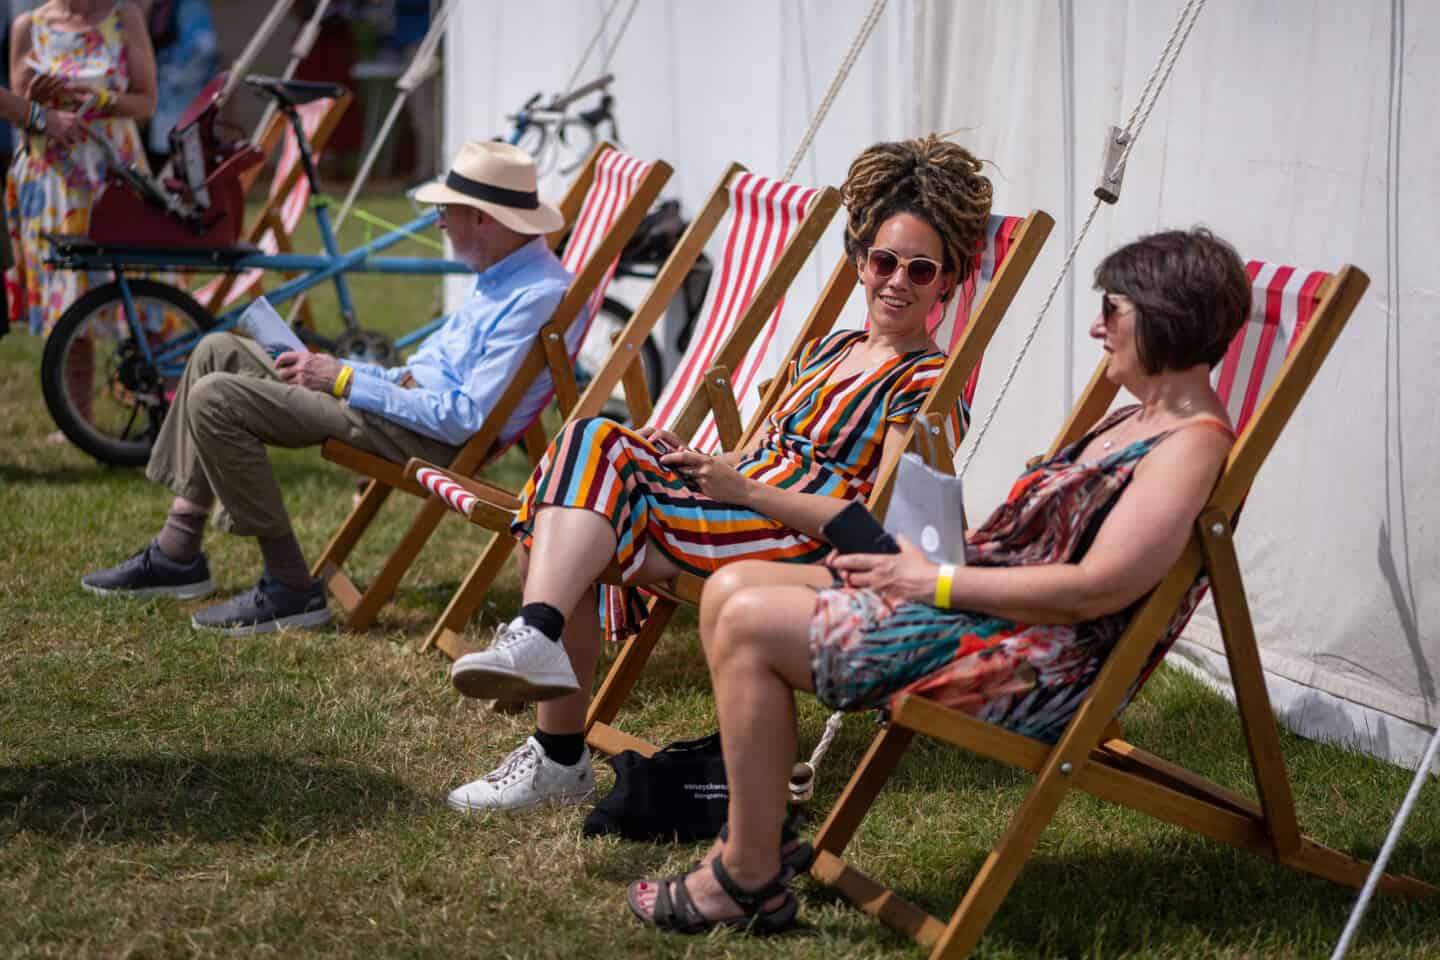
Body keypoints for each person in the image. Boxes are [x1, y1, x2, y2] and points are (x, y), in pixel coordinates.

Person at [623, 227, 1251, 934]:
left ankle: (744, 874)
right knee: (732, 589)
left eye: (1115, 308)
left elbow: (1095, 589)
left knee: (748, 623)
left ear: (1167, 316)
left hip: (1033, 664)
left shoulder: (1189, 447)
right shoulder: (1130, 418)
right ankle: (757, 843)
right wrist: (926, 565)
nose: (1097, 326)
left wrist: (934, 583)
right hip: (983, 611)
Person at [443, 135, 995, 814]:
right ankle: (546, 675)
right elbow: (756, 449)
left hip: (795, 539)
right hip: (736, 506)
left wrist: (743, 487)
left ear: (947, 280)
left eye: (920, 269)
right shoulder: (831, 348)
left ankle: (550, 710)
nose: (897, 281)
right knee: (587, 465)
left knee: (582, 469)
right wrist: (698, 459)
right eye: (884, 260)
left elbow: (873, 523)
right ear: (859, 262)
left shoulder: (928, 384)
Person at [79, 141, 571, 636]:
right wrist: (337, 369)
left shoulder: (536, 296)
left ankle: (290, 585)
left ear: (483, 218)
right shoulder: (504, 273)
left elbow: (463, 417)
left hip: (430, 438)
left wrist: (344, 380)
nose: (439, 223)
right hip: (407, 408)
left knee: (216, 399)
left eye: (446, 211)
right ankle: (176, 551)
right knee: (217, 350)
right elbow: (423, 373)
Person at [6, 0, 155, 442]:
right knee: (69, 296)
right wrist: (36, 102)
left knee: (135, 289)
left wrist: (96, 99)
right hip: (50, 178)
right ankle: (79, 418)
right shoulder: (27, 26)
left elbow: (147, 101)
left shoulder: (124, 16)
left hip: (111, 171)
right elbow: (17, 103)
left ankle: (161, 405)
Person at [139, 0, 218, 171]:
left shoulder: (189, 5)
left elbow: (203, 48)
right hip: (153, 106)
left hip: (177, 102)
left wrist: (165, 75)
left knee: (180, 169)